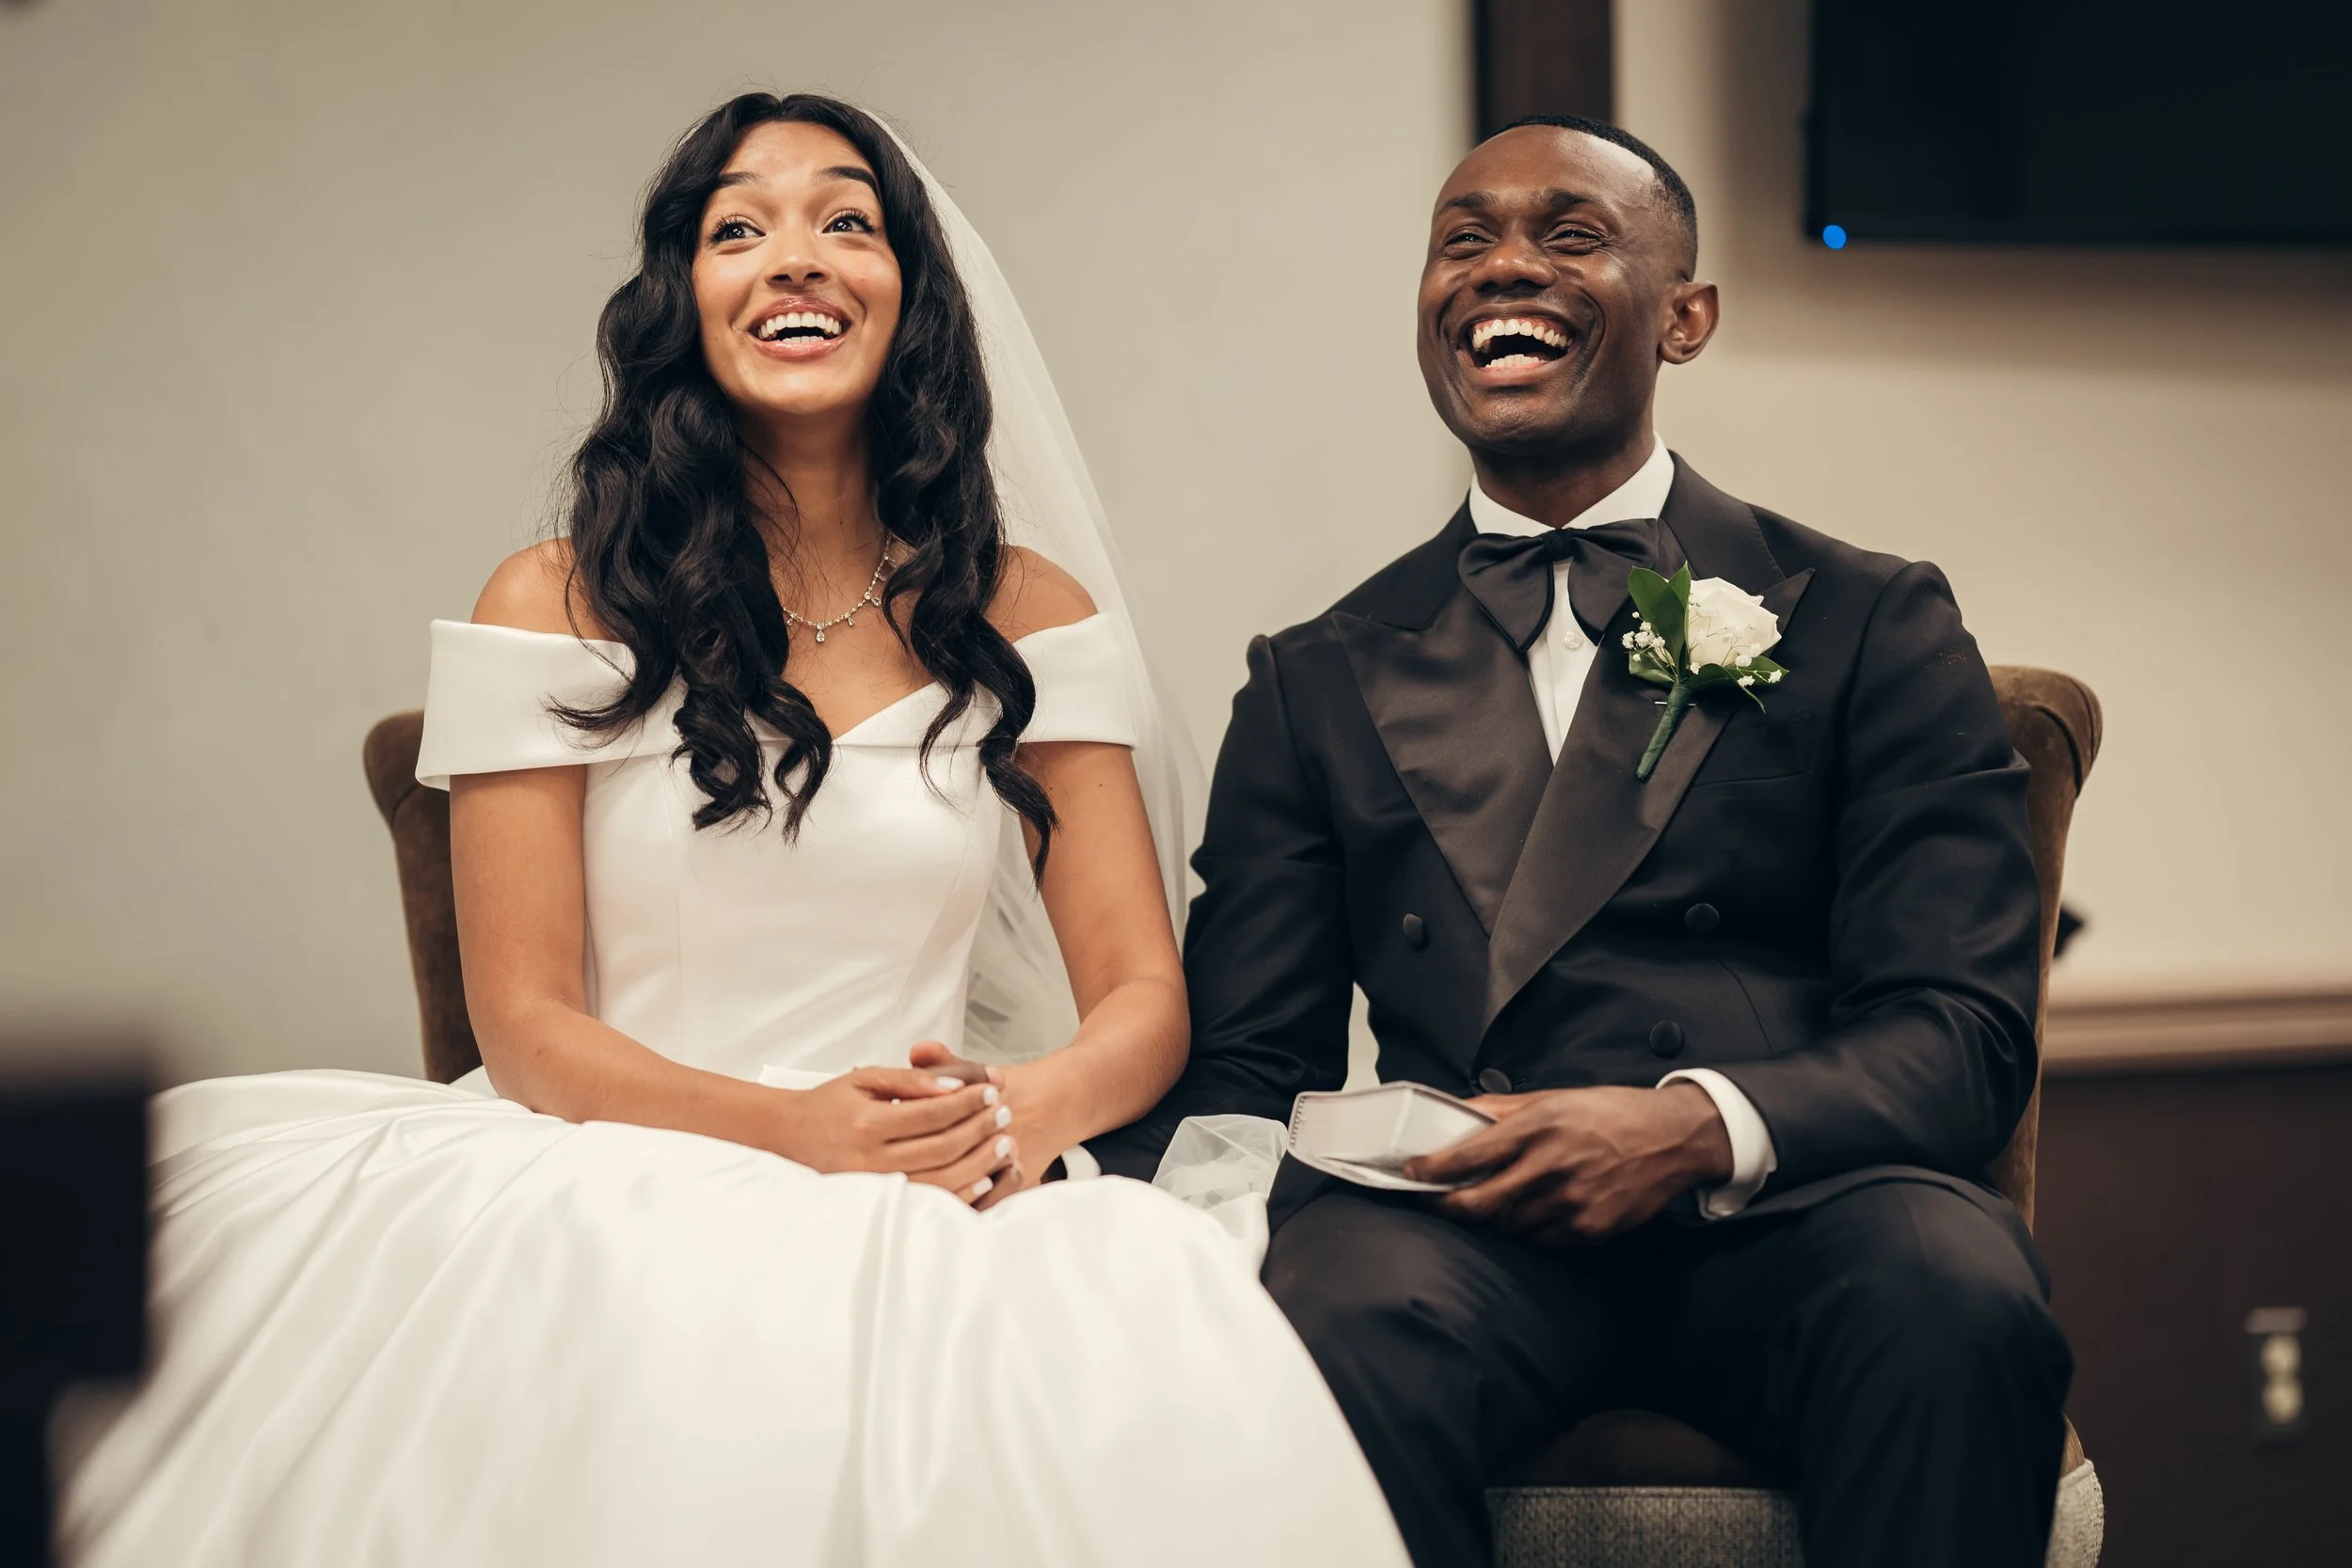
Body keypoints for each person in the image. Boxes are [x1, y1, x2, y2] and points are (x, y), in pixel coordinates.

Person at [58, 93, 1408, 1568]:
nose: (795, 259)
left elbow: (1143, 1002)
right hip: (613, 1158)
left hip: (936, 1178)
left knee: (1125, 1343)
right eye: (737, 229)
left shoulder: (1029, 616)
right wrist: (791, 1134)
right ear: (681, 297)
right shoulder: (552, 599)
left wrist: (1015, 1118)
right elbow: (522, 1025)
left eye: (846, 220)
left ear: (915, 295)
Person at [1089, 115, 2074, 1568]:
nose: (1503, 269)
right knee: (1322, 1316)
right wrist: (1067, 1200)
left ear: (1687, 316)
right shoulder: (1316, 673)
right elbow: (1249, 1063)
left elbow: (1963, 1027)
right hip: (1457, 1235)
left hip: (1794, 1212)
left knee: (1956, 1289)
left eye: (1569, 234)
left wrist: (1690, 1124)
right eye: (1463, 239)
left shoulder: (1869, 617)